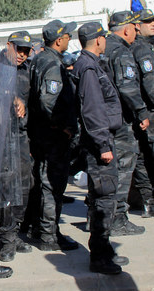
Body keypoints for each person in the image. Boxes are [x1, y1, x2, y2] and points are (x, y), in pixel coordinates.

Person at [69, 22, 127, 274]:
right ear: (98, 40)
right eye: (103, 37)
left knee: (100, 198)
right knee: (104, 200)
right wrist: (103, 144)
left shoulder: (88, 63)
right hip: (98, 144)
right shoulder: (89, 67)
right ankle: (100, 257)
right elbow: (92, 110)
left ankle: (103, 251)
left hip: (98, 140)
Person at [28, 20, 79, 251]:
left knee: (44, 184)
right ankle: (49, 236)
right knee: (52, 186)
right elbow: (49, 101)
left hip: (43, 134)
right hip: (52, 137)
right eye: (68, 35)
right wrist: (62, 126)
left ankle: (43, 229)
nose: (70, 38)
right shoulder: (50, 63)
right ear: (59, 40)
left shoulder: (41, 59)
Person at [101, 10, 149, 236]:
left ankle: (101, 216)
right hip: (121, 120)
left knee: (106, 170)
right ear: (127, 29)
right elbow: (128, 87)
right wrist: (141, 111)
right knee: (122, 168)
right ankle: (117, 218)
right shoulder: (121, 52)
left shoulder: (101, 48)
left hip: (102, 119)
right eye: (135, 28)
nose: (136, 32)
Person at [0, 31, 34, 262]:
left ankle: (15, 231)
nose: (21, 55)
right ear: (8, 45)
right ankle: (6, 239)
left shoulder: (26, 70)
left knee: (25, 184)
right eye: (18, 49)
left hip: (19, 135)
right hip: (0, 135)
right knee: (6, 189)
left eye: (26, 51)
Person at [129, 9, 154, 217]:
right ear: (136, 25)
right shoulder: (141, 49)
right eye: (147, 22)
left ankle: (146, 199)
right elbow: (149, 83)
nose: (152, 24)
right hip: (148, 111)